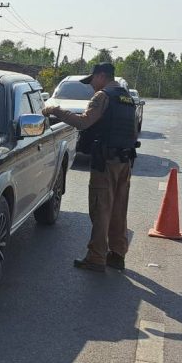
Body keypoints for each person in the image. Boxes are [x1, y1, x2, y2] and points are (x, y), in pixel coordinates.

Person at [43, 62, 138, 272]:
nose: (91, 86)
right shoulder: (126, 97)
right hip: (124, 161)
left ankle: (96, 257)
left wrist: (55, 110)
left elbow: (83, 122)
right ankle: (117, 254)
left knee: (100, 208)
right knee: (118, 209)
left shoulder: (102, 96)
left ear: (101, 76)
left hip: (106, 163)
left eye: (92, 80)